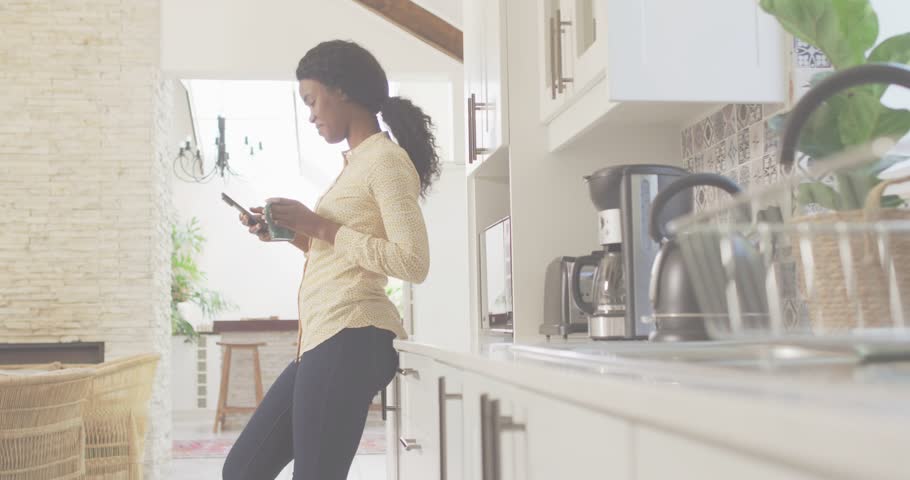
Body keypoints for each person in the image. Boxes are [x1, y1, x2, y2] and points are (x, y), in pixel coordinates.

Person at [222, 40, 439, 480]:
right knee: (242, 470)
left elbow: (412, 261)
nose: (311, 114)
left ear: (341, 90)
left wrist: (318, 226)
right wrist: (293, 235)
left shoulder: (386, 161)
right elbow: (342, 253)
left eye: (312, 100)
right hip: (323, 338)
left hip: (354, 334)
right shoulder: (356, 165)